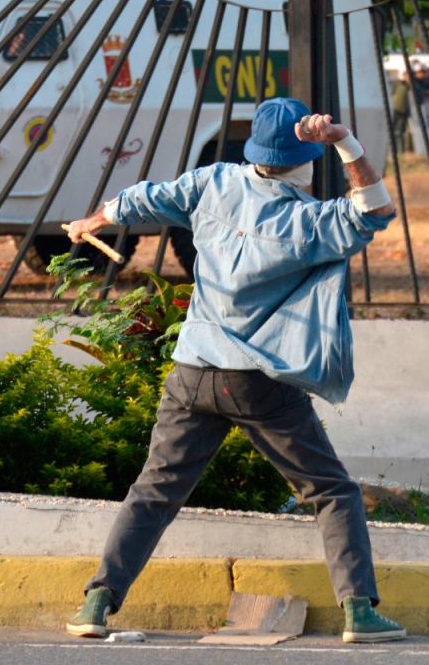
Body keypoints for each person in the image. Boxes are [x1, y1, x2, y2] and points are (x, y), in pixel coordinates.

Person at [63, 97, 405, 644]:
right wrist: (345, 142)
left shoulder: (214, 183)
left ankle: (96, 603)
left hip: (192, 372)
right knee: (331, 490)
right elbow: (375, 210)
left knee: (154, 491)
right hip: (259, 383)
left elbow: (142, 199)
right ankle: (359, 611)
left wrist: (93, 220)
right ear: (305, 159)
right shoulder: (310, 221)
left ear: (254, 150)